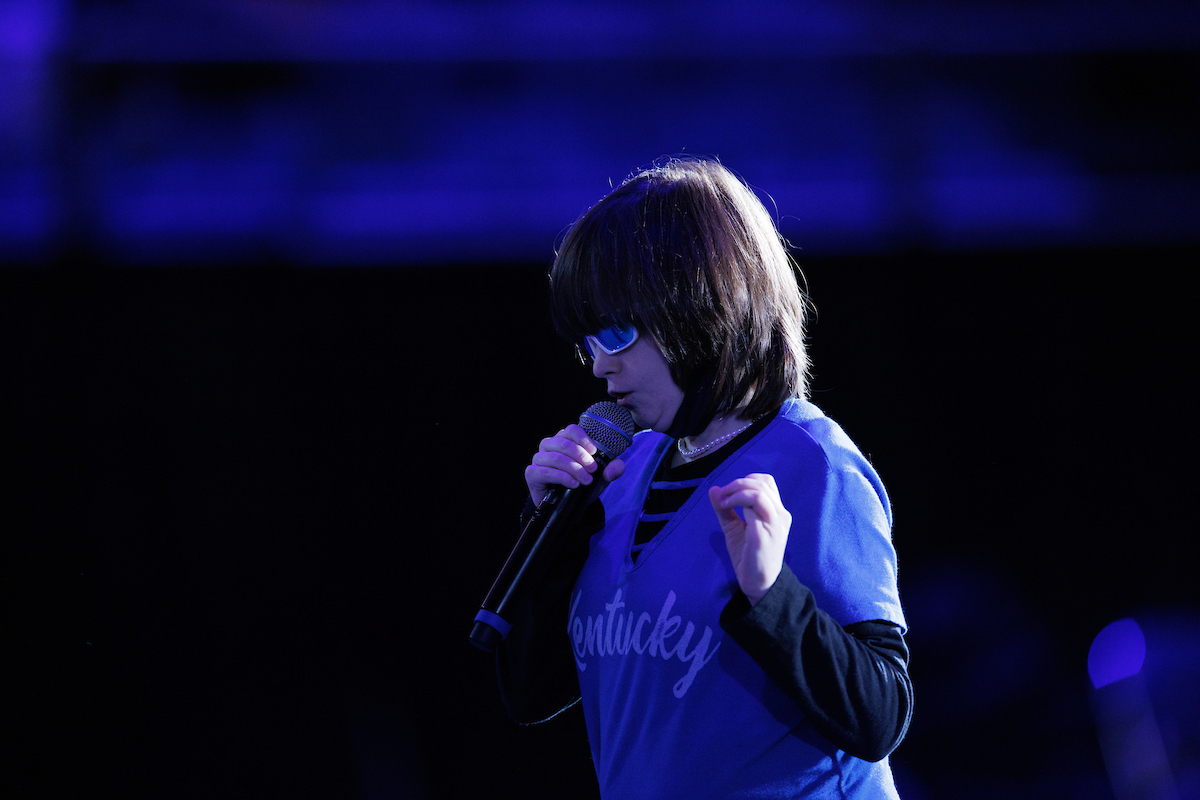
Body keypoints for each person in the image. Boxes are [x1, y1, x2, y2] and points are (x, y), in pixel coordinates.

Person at [494, 158, 912, 799]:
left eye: (618, 332)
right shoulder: (622, 478)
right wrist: (551, 529)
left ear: (703, 303)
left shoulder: (811, 463)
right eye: (590, 343)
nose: (601, 368)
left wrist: (772, 596)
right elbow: (531, 695)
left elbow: (881, 714)